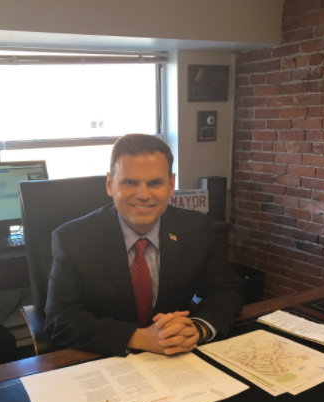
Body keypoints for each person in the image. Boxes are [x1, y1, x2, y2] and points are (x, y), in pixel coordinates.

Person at [45, 134, 243, 357]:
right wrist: (138, 337)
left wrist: (199, 327)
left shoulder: (195, 228)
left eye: (155, 183)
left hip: (176, 357)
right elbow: (59, 318)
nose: (143, 195)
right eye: (129, 182)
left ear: (170, 185)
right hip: (104, 357)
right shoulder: (73, 239)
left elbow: (226, 289)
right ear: (110, 184)